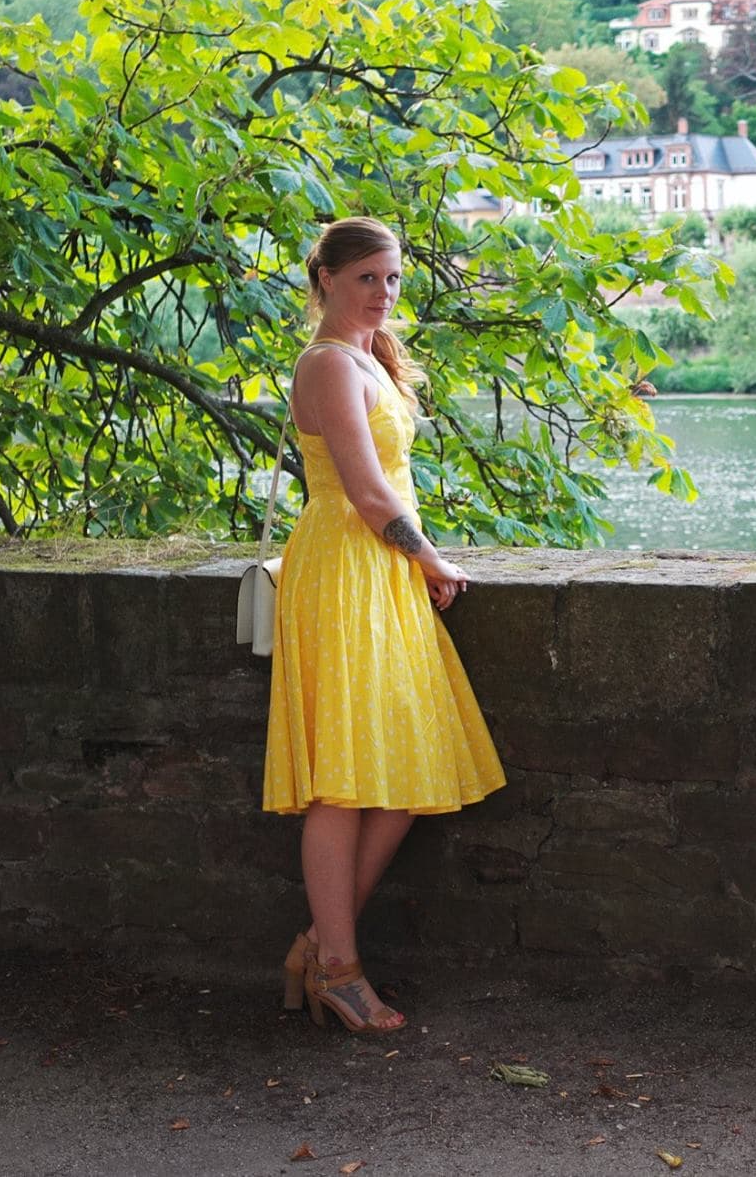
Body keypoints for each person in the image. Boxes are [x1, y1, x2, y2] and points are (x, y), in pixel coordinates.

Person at [262, 216, 506, 1035]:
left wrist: (416, 563)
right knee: (343, 779)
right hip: (343, 567)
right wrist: (432, 559)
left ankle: (316, 945)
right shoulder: (327, 363)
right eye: (368, 277)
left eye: (394, 278)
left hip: (380, 572)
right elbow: (369, 494)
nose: (385, 292)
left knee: (399, 777)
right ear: (325, 278)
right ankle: (341, 967)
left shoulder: (371, 357)